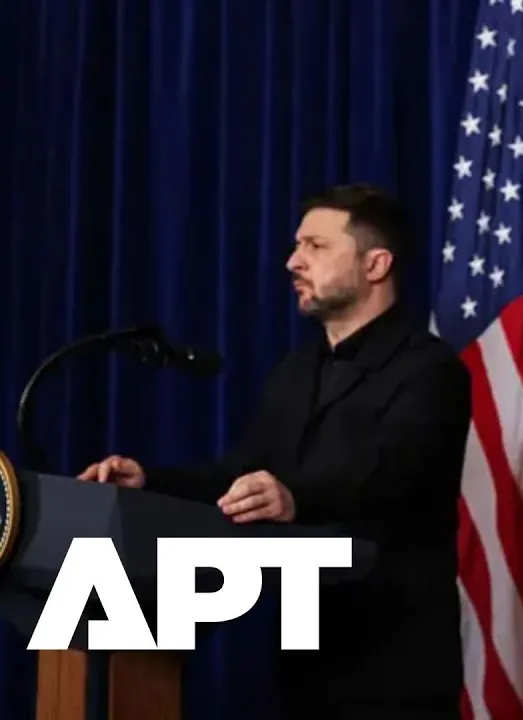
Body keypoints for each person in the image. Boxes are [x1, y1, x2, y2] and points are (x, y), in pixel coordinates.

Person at [78, 184, 471, 719]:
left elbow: (391, 471)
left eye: (316, 246)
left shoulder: (430, 368)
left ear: (376, 264)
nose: (293, 261)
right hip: (304, 660)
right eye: (296, 245)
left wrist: (294, 496)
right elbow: (241, 476)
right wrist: (150, 483)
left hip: (395, 665)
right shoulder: (294, 372)